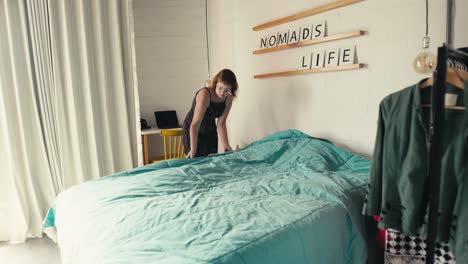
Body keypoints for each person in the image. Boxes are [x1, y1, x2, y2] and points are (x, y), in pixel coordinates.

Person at [182, 69, 238, 158]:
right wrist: (193, 149)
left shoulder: (229, 98)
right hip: (193, 129)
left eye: (227, 90)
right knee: (194, 160)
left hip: (210, 129)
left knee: (210, 162)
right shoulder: (205, 95)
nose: (222, 93)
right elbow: (195, 124)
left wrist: (226, 145)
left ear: (232, 89)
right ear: (215, 83)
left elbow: (221, 123)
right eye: (220, 88)